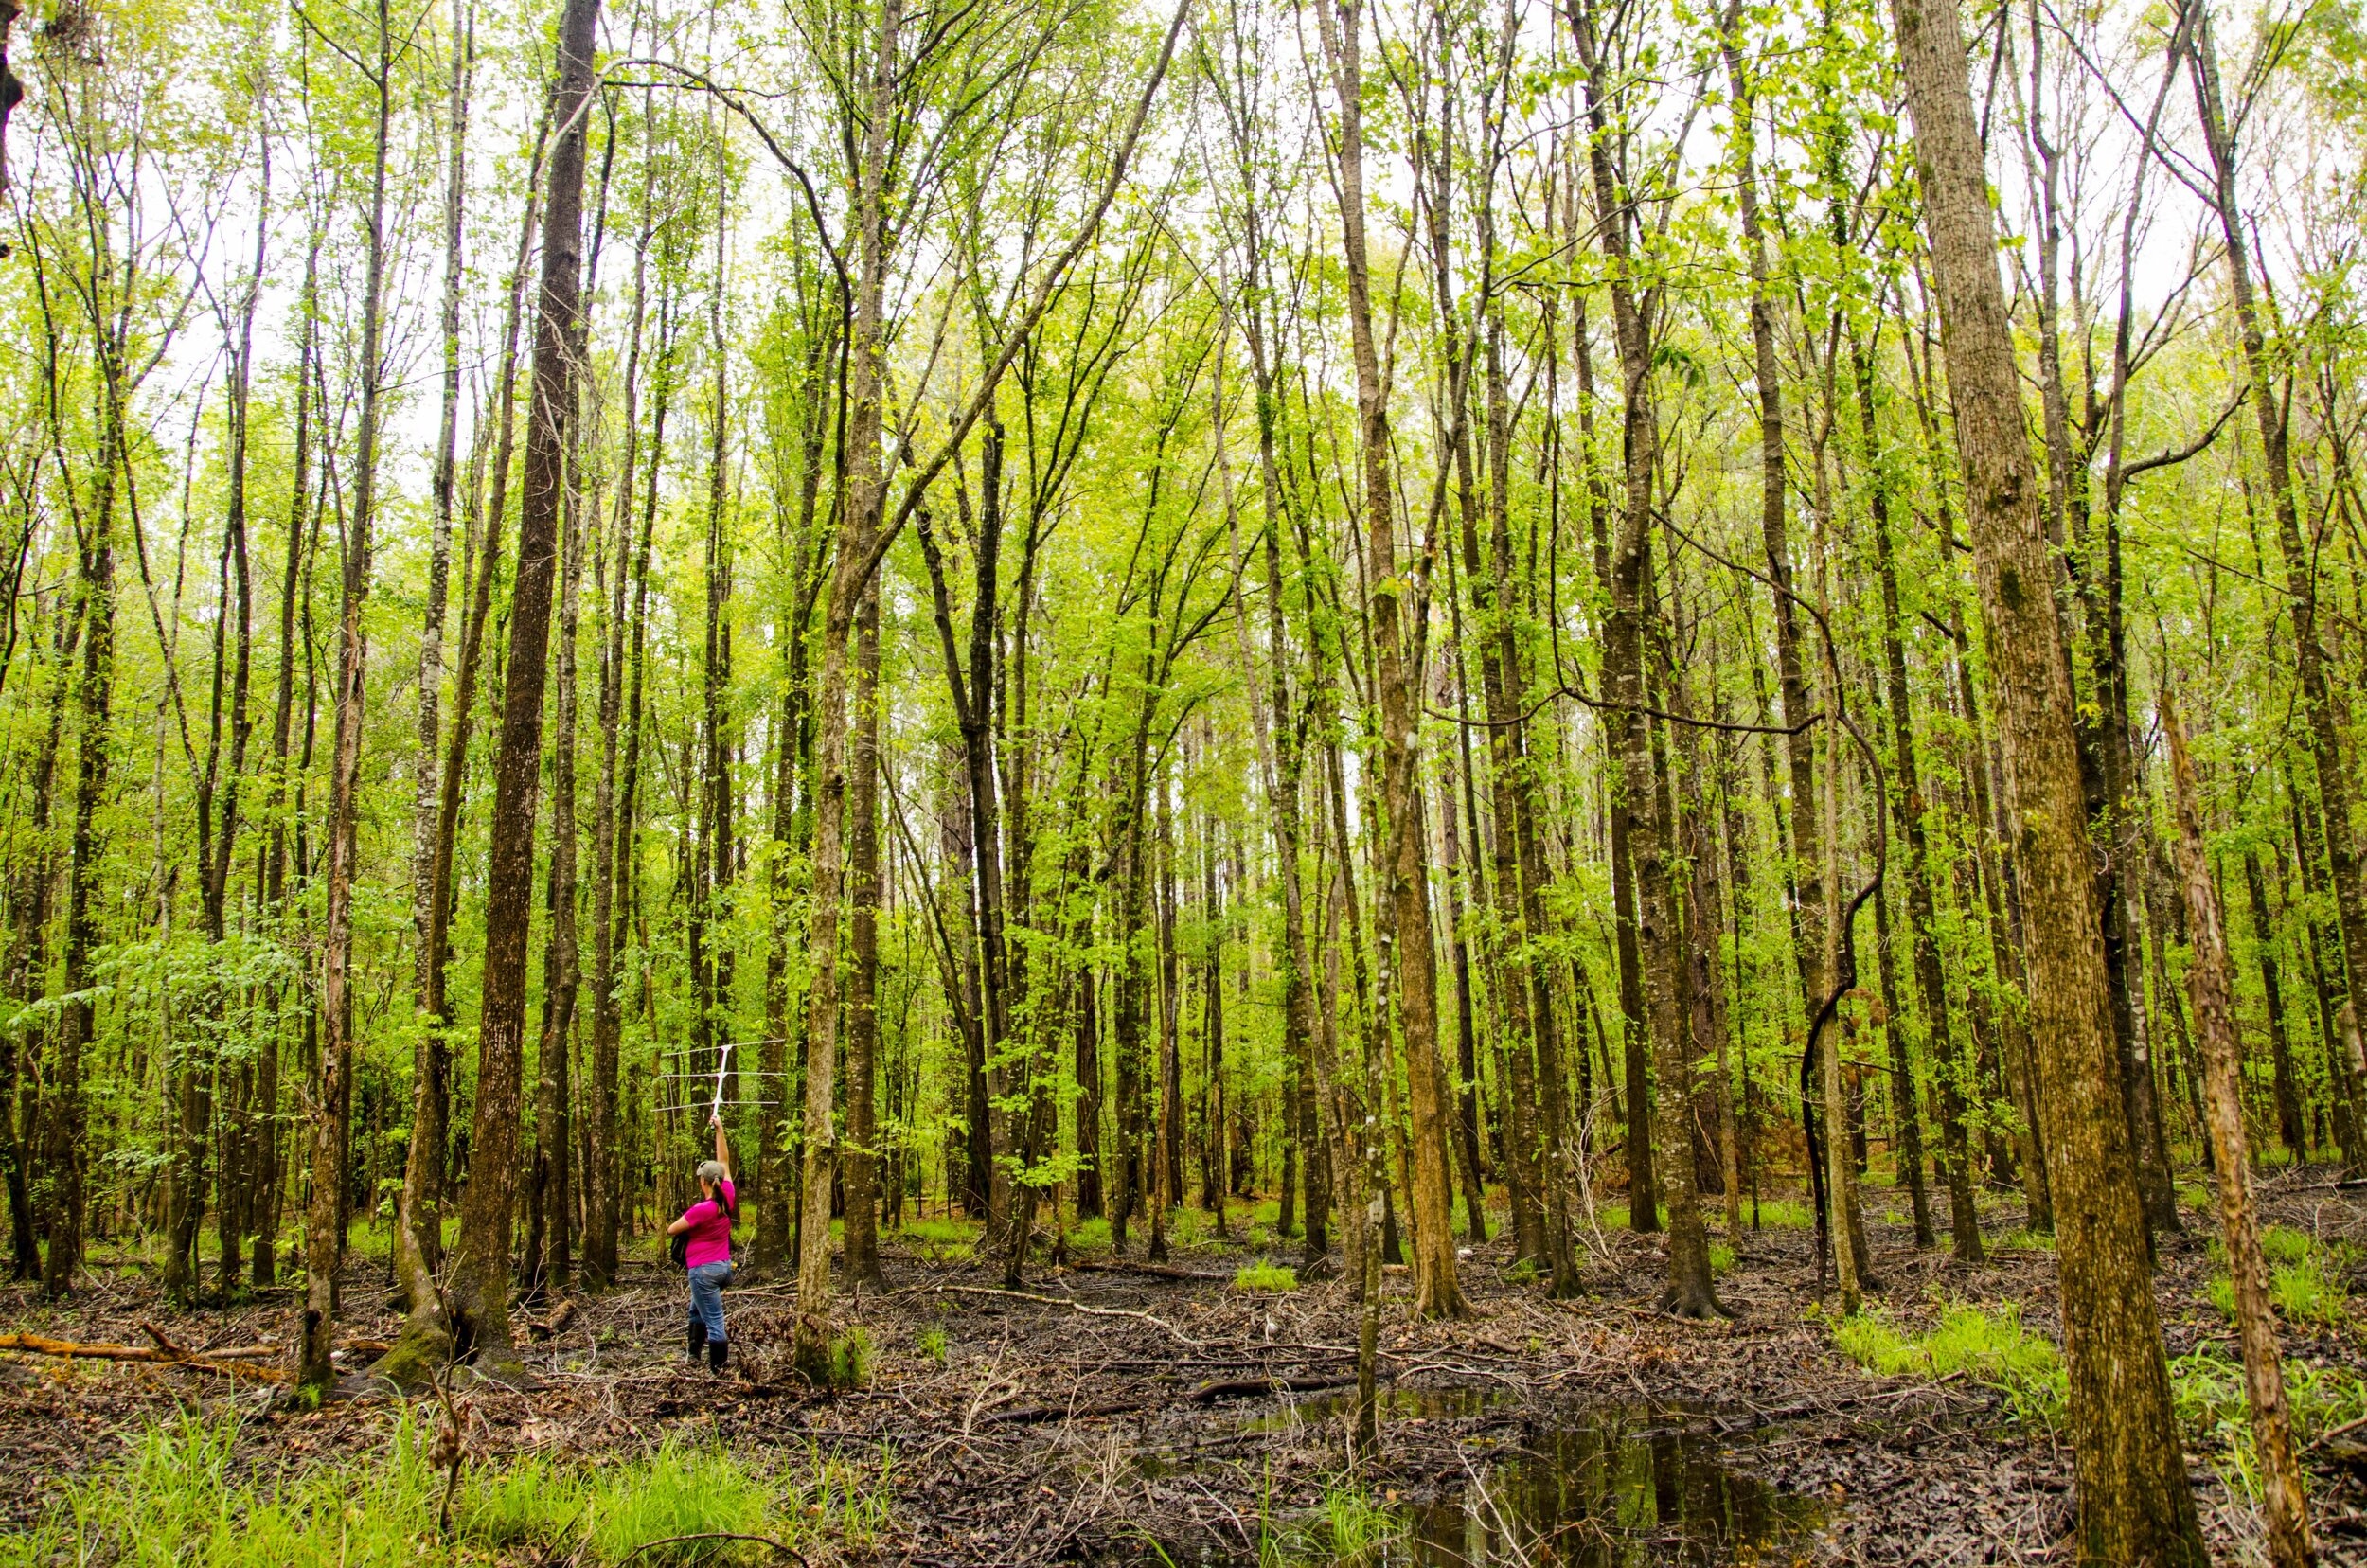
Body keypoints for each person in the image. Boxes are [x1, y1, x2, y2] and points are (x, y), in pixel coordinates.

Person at [667, 1114, 737, 1373]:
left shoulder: (701, 1210)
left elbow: (672, 1229)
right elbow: (724, 1162)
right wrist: (719, 1129)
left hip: (703, 1271)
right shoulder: (727, 1196)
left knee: (715, 1320)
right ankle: (693, 1356)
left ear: (703, 1182)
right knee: (696, 1308)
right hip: (722, 1268)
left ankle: (719, 1370)